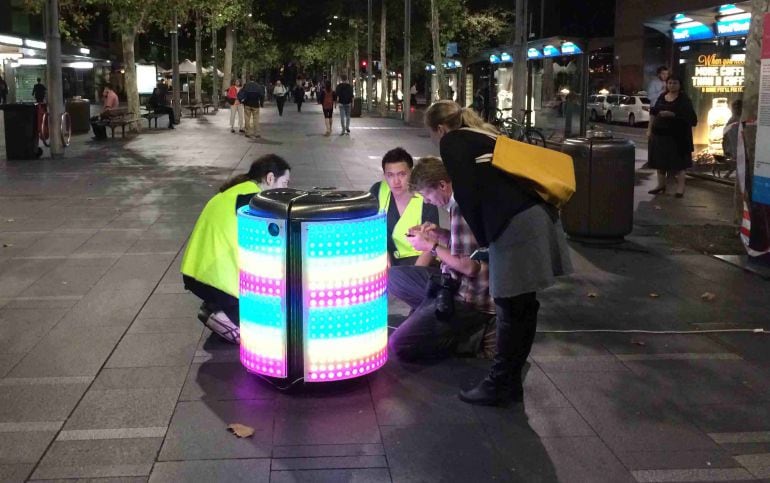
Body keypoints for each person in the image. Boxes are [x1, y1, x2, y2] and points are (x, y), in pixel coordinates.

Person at [424, 100, 572, 405]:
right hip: (535, 217)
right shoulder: (484, 134)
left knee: (511, 307)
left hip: (515, 227)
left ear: (439, 128)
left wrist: (482, 240)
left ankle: (501, 383)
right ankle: (508, 381)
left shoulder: (453, 141)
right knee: (522, 306)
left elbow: (466, 193)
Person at [388, 156, 496, 361]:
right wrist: (438, 233)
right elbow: (468, 246)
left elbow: (471, 268)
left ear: (442, 185)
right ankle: (432, 314)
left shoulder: (462, 208)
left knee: (399, 344)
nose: (428, 201)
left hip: (468, 299)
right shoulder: (460, 202)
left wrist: (431, 246)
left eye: (427, 195)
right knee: (392, 277)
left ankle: (469, 336)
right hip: (450, 283)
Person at [181, 154, 291, 344]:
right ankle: (216, 315)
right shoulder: (252, 199)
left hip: (198, 271)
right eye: (285, 182)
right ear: (270, 178)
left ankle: (217, 307)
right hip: (216, 277)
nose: (286, 189)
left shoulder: (237, 190)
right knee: (262, 336)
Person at [369, 148, 440, 268]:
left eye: (402, 174)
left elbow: (431, 245)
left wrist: (412, 275)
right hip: (386, 259)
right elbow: (369, 228)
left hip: (417, 263)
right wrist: (381, 251)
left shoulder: (425, 198)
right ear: (384, 175)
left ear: (411, 172)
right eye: (390, 175)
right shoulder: (378, 190)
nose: (396, 181)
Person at [646, 77, 698, 198]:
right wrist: (649, 129)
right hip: (660, 135)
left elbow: (691, 118)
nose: (672, 85)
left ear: (680, 84)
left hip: (678, 137)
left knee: (679, 163)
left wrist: (673, 114)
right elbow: (653, 113)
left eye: (675, 82)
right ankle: (661, 185)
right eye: (670, 82)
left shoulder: (684, 99)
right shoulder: (661, 97)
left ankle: (680, 189)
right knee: (660, 162)